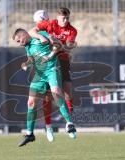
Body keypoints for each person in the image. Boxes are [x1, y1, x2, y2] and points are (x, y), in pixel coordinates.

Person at [12, 28, 76, 147]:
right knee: (31, 103)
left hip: (51, 70)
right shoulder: (27, 46)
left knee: (56, 92)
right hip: (39, 75)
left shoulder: (40, 35)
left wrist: (51, 55)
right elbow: (31, 59)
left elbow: (58, 44)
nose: (19, 44)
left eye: (19, 40)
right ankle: (30, 134)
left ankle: (69, 123)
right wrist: (26, 64)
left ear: (24, 35)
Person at [29, 7, 77, 140]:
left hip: (62, 60)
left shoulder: (72, 30)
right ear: (57, 17)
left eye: (67, 18)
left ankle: (69, 123)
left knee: (67, 90)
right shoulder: (50, 24)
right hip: (49, 63)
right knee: (48, 95)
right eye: (63, 18)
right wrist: (40, 37)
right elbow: (31, 31)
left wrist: (57, 45)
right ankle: (48, 126)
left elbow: (67, 46)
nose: (65, 20)